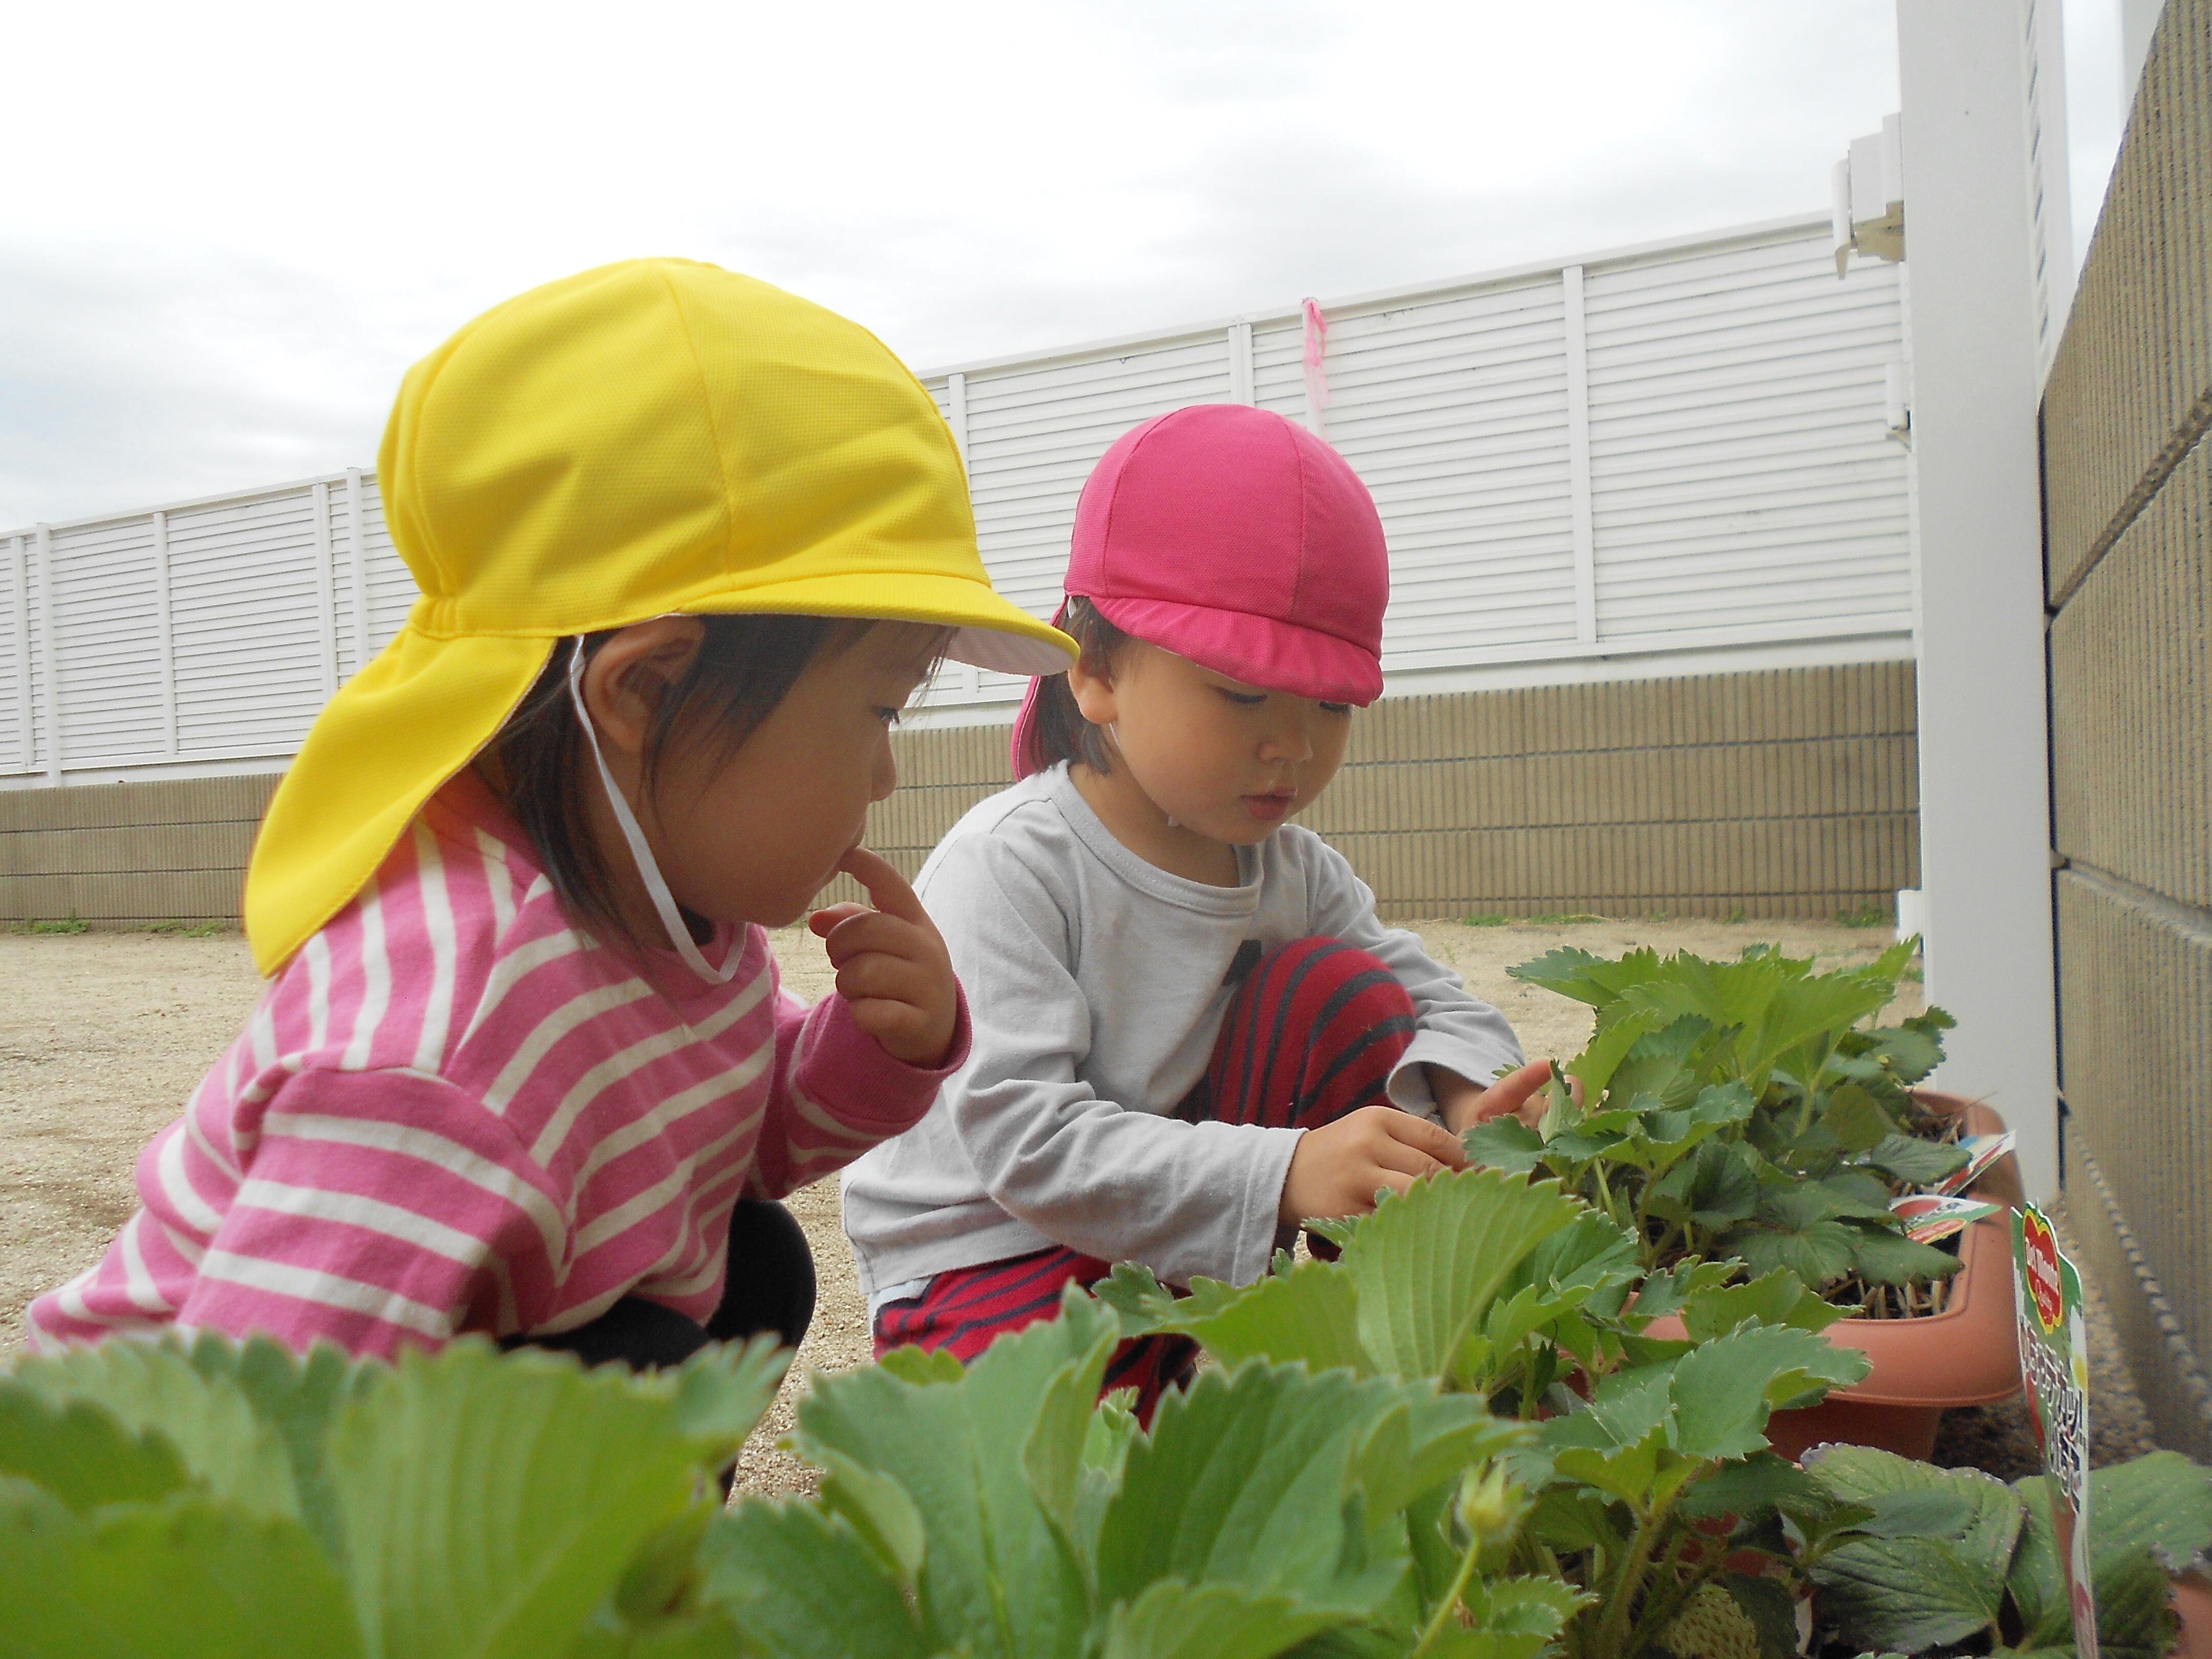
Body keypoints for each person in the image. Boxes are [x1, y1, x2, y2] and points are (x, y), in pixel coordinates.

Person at [26, 259, 1075, 1370]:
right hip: (160, 1502)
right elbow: (255, 1442)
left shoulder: (659, 910)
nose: (883, 776)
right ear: (645, 691)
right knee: (667, 1329)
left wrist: (868, 1052)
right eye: (881, 706)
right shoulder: (445, 1051)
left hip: (461, 1375)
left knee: (750, 1262)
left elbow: (720, 1142)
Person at [841, 403, 1559, 1414]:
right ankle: (1213, 1393)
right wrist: (1286, 1171)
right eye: (1240, 694)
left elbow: (1426, 995)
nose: (1294, 746)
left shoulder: (1287, 869)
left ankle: (1340, 1337)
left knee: (1346, 990)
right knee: (1054, 1448)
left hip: (1174, 1250)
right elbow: (1026, 1146)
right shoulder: (1013, 864)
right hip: (989, 1263)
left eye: (1331, 706)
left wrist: (1466, 1096)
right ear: (1093, 670)